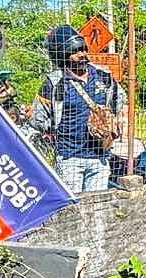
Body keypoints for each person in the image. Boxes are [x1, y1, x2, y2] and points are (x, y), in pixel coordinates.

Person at [31, 24, 126, 194]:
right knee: (74, 210)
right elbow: (38, 119)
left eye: (83, 49)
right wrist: (59, 130)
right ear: (63, 55)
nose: (82, 54)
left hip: (100, 157)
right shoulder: (54, 83)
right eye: (75, 52)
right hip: (69, 157)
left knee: (98, 210)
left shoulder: (103, 76)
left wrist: (108, 121)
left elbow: (120, 100)